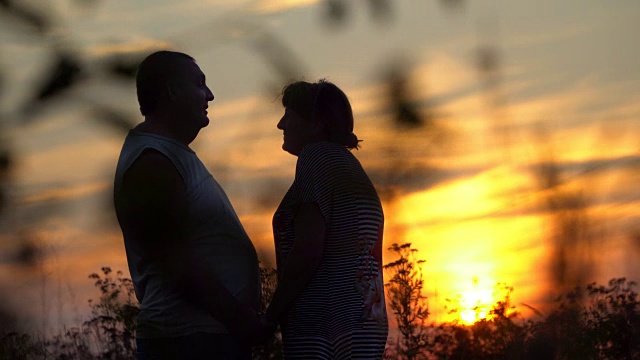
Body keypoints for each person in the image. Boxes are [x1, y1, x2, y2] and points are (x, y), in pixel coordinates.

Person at [113, 50, 267, 359]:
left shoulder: (171, 156)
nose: (209, 94)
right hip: (189, 341)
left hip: (206, 337)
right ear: (172, 91)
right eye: (200, 84)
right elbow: (178, 262)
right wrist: (238, 318)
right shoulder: (153, 162)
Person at [266, 79, 389, 359]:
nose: (280, 125)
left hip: (325, 328)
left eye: (289, 115)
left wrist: (271, 315)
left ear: (316, 123)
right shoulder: (346, 166)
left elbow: (308, 247)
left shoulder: (315, 157)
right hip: (361, 325)